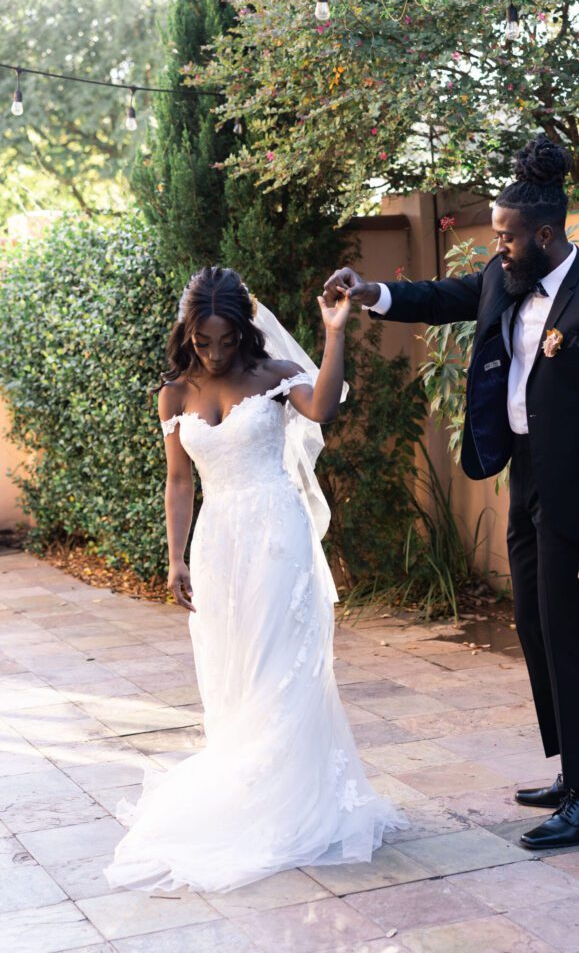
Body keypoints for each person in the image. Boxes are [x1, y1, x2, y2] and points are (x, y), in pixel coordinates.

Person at [323, 136, 579, 850]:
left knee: (570, 640)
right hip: (526, 477)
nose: (497, 247)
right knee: (537, 633)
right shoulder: (505, 278)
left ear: (544, 235)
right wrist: (370, 292)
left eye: (506, 237)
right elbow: (439, 297)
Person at [103, 265, 406, 894]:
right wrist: (176, 556)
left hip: (276, 537)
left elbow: (323, 406)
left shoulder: (272, 378)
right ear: (188, 336)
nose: (214, 353)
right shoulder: (173, 394)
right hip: (218, 547)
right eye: (202, 342)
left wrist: (333, 332)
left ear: (244, 332)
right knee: (233, 669)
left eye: (225, 340)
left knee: (282, 665)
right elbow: (180, 480)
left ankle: (290, 803)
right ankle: (248, 788)